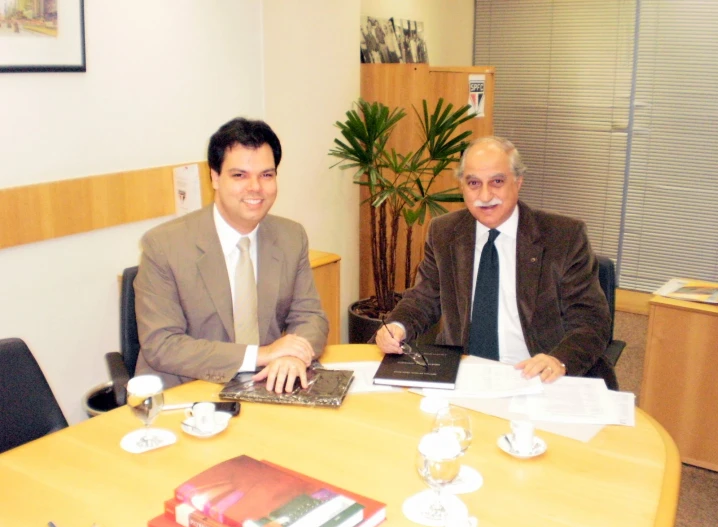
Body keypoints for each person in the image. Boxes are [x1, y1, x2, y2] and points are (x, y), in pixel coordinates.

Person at [375, 136, 617, 390]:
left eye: (497, 182)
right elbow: (424, 298)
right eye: (474, 183)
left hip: (536, 375)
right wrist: (397, 325)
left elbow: (591, 320)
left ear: (518, 182)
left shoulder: (564, 237)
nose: (485, 195)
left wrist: (559, 360)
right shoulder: (444, 232)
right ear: (462, 186)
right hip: (464, 372)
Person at [134, 118, 328, 393]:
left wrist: (291, 354)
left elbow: (311, 318)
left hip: (266, 387)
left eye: (266, 175)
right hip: (188, 393)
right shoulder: (163, 245)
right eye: (240, 175)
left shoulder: (290, 237)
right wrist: (262, 354)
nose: (255, 187)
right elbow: (162, 345)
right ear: (214, 177)